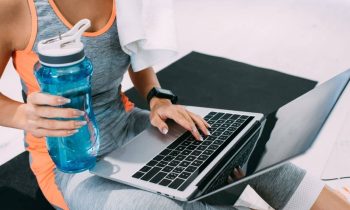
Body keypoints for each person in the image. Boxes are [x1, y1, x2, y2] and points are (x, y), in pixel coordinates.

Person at [0, 0, 348, 209]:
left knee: (246, 147)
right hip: (69, 162)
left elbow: (137, 55)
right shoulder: (17, 8)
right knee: (158, 207)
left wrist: (156, 98)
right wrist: (22, 114)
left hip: (129, 127)